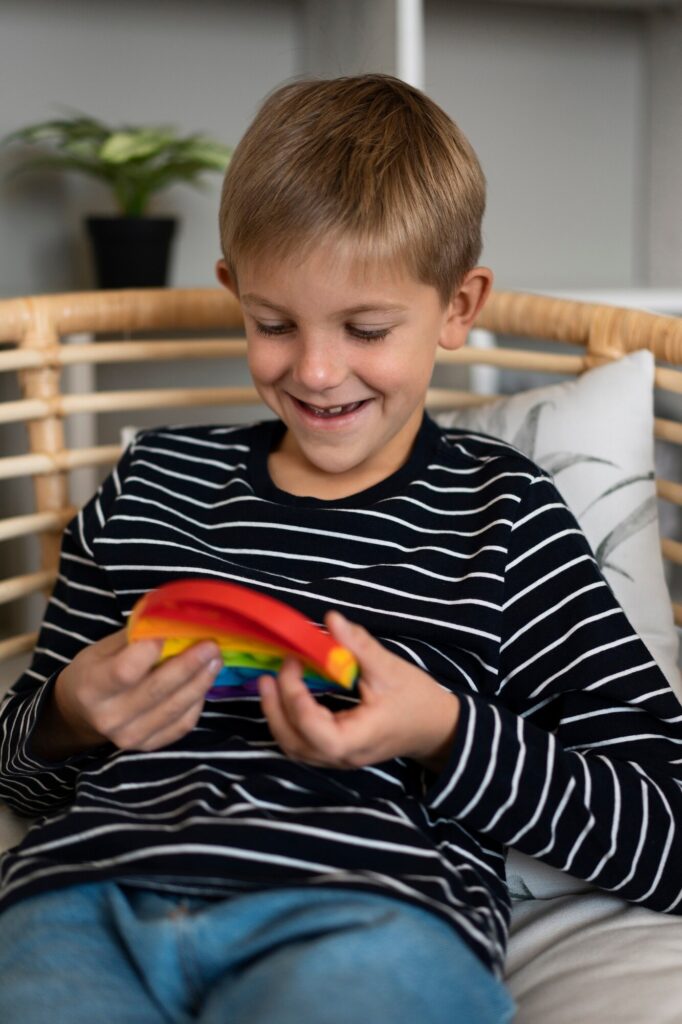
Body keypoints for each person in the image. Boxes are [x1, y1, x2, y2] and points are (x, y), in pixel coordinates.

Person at [0, 74, 681, 1024]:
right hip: (82, 902)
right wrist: (71, 713)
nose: (315, 371)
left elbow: (666, 829)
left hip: (368, 916)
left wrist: (442, 728)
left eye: (365, 329)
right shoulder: (151, 485)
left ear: (458, 305)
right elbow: (21, 773)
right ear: (233, 290)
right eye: (273, 325)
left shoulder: (504, 513)